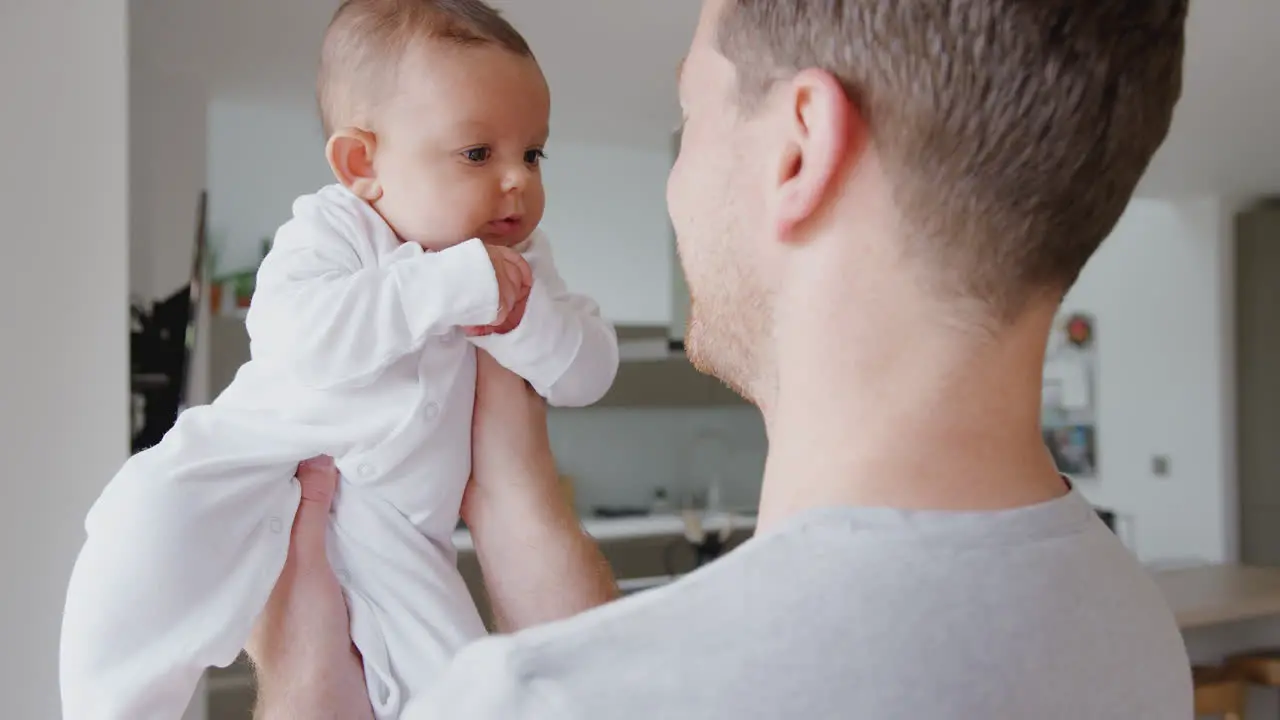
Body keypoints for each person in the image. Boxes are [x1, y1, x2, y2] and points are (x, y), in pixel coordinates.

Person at [251, 0, 1195, 717]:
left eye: (688, 116)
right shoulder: (1129, 627)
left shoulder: (542, 698)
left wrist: (303, 689)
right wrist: (519, 499)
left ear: (798, 152)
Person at [58, 1, 618, 718]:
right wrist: (448, 284)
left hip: (400, 528)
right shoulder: (336, 229)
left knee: (461, 681)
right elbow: (299, 340)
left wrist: (518, 317)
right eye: (479, 154)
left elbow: (588, 371)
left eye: (533, 153)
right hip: (262, 464)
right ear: (363, 164)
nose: (517, 180)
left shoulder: (520, 265)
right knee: (143, 529)